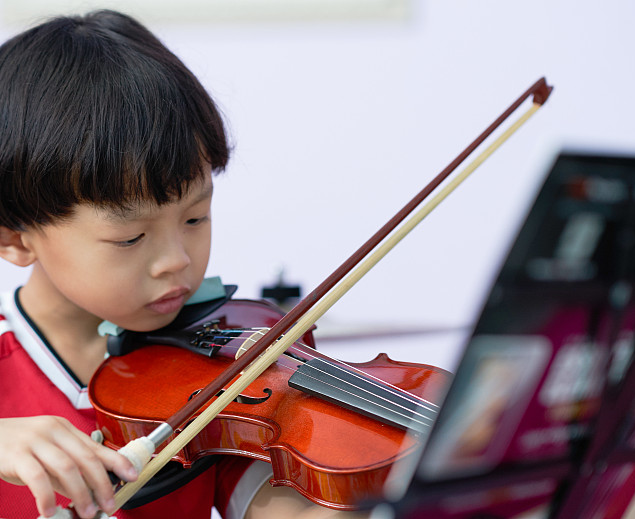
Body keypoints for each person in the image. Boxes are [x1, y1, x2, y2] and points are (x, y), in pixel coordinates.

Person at [0, 10, 364, 519]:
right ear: (16, 239)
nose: (177, 261)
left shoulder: (219, 386)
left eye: (196, 218)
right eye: (130, 237)